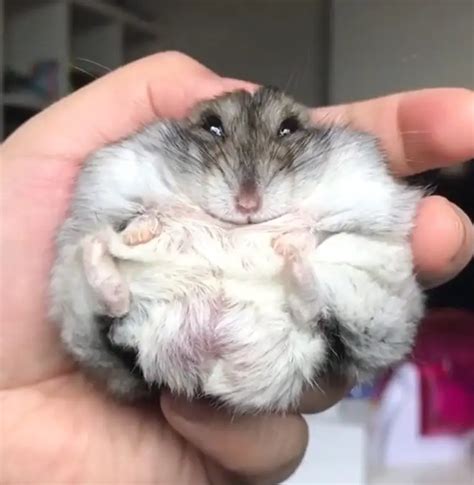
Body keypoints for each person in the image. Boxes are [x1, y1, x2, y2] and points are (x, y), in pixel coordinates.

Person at [1, 52, 472, 484]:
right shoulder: (146, 158)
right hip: (165, 295)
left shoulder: (347, 171)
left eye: (287, 131)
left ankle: (306, 298)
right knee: (101, 262)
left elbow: (383, 274)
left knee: (367, 285)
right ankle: (119, 302)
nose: (248, 198)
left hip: (285, 316)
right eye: (213, 129)